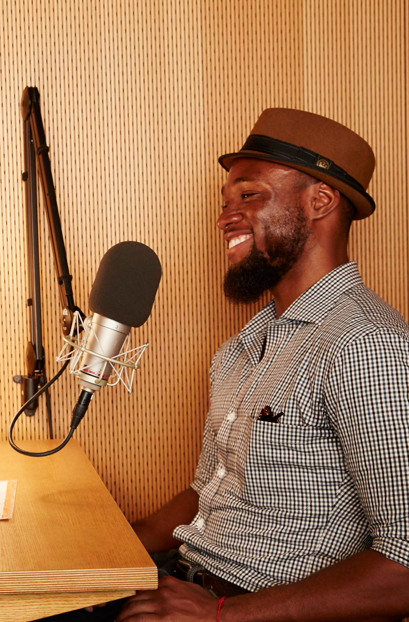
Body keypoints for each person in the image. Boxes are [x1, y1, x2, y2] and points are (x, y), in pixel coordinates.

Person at [117, 109, 409, 621]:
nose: (224, 218)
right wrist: (111, 551)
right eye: (225, 202)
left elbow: (404, 561)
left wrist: (218, 614)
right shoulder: (240, 348)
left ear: (320, 201)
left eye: (249, 195)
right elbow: (208, 491)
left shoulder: (366, 345)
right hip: (182, 583)